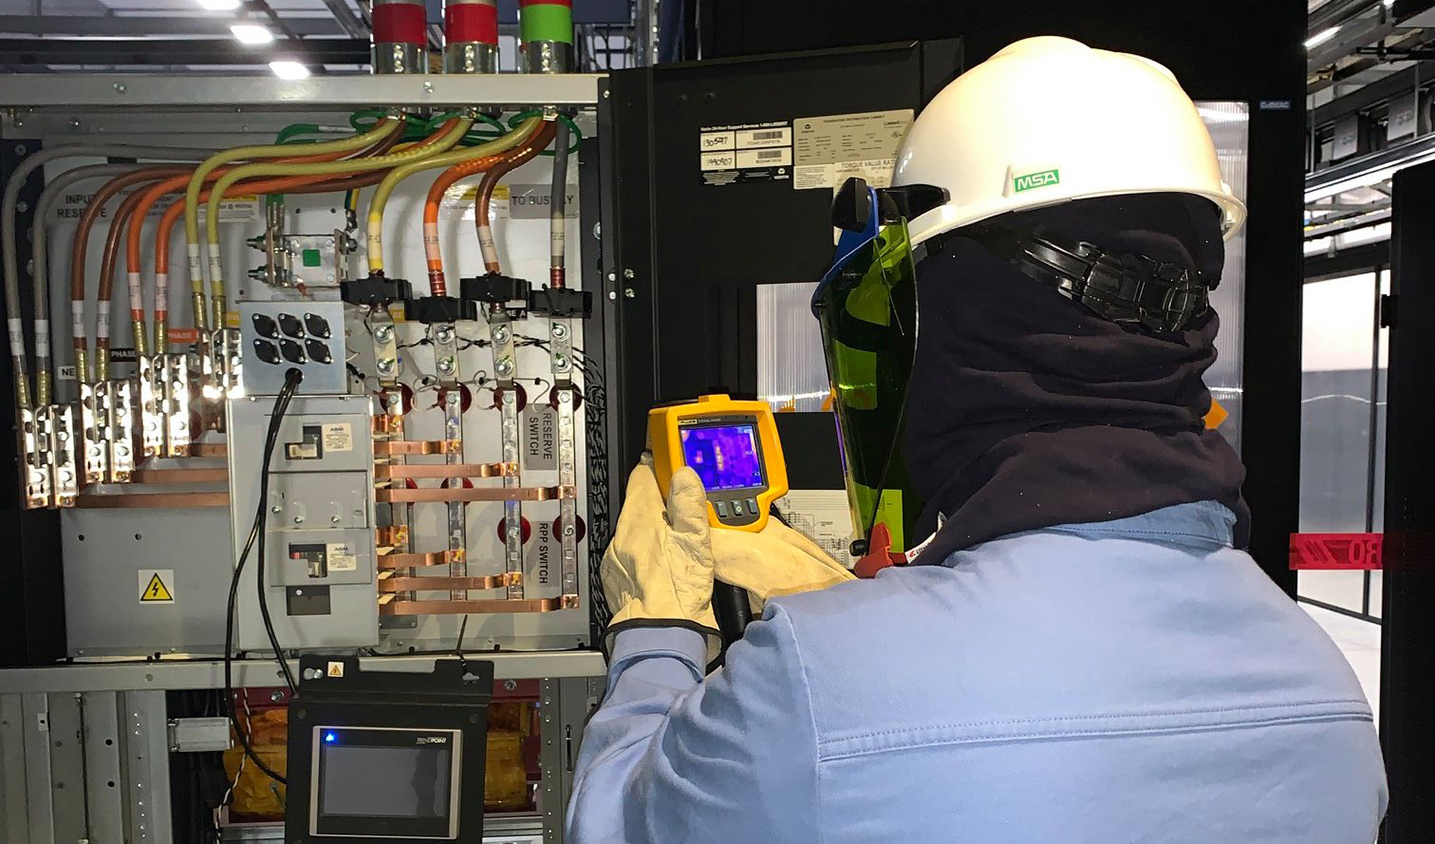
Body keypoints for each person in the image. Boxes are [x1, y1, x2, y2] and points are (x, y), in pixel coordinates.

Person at [566, 37, 1387, 843]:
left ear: (946, 328)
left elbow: (612, 822)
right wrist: (883, 598)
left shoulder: (817, 685)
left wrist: (657, 623)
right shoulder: (1329, 691)